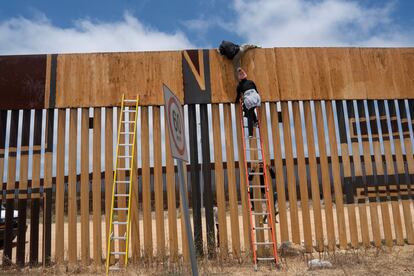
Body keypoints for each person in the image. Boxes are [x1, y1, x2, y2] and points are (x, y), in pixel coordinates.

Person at [235, 67, 261, 137]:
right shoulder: (251, 82)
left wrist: (236, 102)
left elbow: (238, 96)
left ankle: (250, 134)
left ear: (239, 78)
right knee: (249, 109)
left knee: (249, 115)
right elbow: (256, 90)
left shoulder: (239, 86)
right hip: (256, 97)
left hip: (249, 100)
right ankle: (255, 121)